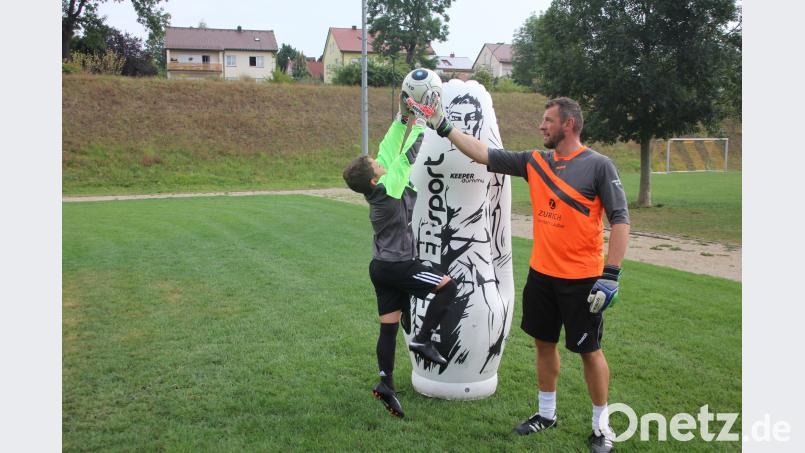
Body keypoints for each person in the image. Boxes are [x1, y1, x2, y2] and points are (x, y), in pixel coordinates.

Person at [426, 95, 630, 452]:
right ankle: (546, 414)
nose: (541, 126)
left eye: (548, 120)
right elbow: (483, 153)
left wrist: (610, 274)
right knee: (543, 344)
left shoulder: (599, 166)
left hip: (582, 280)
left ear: (568, 124)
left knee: (589, 350)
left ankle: (601, 426)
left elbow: (621, 220)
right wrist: (444, 126)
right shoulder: (536, 161)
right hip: (541, 277)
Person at [342, 96, 458, 419]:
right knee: (448, 287)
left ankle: (385, 383)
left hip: (381, 267)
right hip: (399, 266)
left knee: (388, 329)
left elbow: (388, 149)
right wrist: (421, 121)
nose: (379, 161)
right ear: (375, 178)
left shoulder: (376, 185)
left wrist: (401, 118)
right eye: (376, 164)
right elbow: (407, 157)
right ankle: (422, 340)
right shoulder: (389, 188)